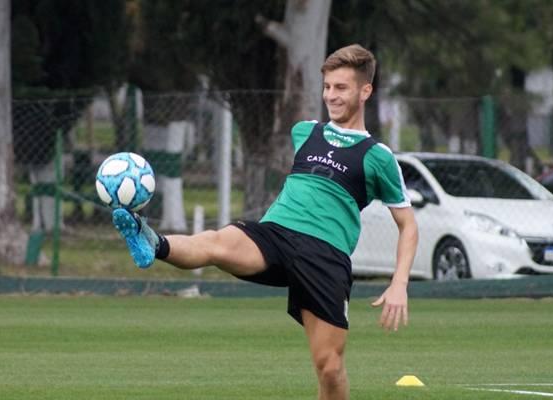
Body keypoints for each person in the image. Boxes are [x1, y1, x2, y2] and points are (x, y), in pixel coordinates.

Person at [112, 44, 418, 400]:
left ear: (365, 91)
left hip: (325, 256)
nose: (331, 96)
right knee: (216, 242)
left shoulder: (378, 157)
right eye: (328, 87)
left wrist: (399, 284)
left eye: (341, 88)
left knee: (330, 369)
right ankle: (151, 240)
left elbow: (408, 226)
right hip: (275, 234)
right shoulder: (306, 132)